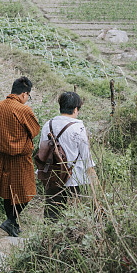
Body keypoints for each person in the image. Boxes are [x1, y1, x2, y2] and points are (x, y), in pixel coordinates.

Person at [0, 76, 41, 237]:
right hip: (21, 158)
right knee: (27, 192)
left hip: (4, 156)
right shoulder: (24, 110)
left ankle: (12, 224)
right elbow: (35, 130)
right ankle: (10, 221)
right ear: (24, 94)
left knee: (7, 192)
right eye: (28, 96)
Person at [40, 91, 99, 221]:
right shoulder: (78, 128)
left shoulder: (48, 125)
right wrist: (94, 179)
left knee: (52, 213)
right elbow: (86, 157)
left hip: (53, 176)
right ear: (76, 109)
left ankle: (49, 233)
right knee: (74, 214)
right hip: (74, 178)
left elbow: (42, 151)